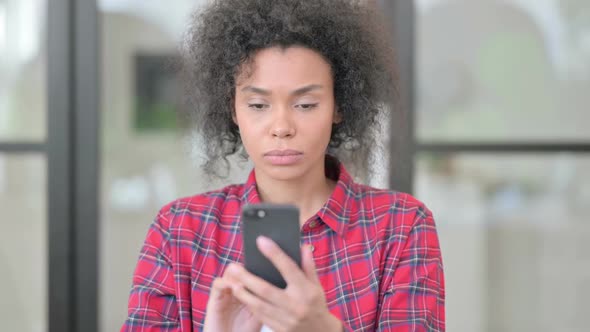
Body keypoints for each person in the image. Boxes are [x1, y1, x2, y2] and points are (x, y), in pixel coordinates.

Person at [121, 0, 445, 331]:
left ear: (339, 105)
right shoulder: (179, 230)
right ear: (232, 109)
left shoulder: (400, 226)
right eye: (258, 104)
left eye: (305, 104)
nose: (281, 126)